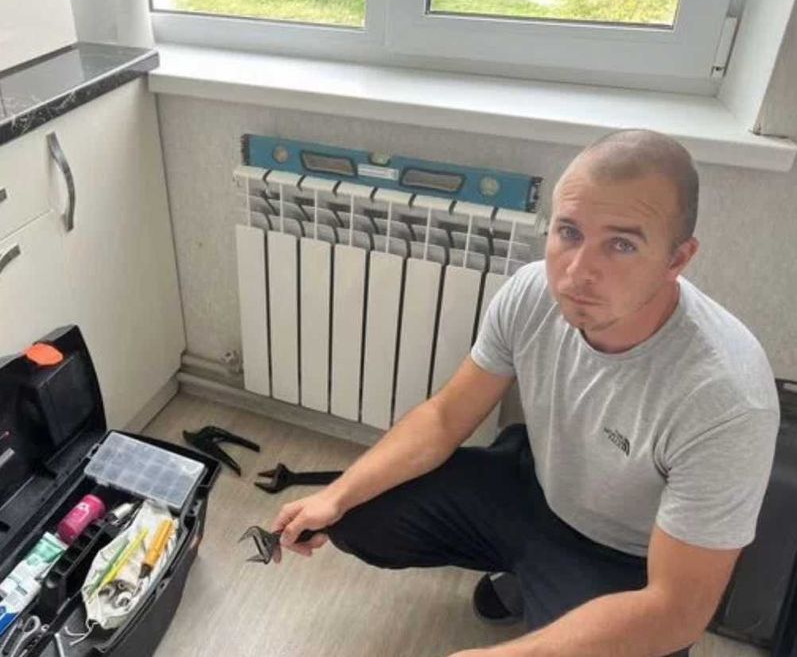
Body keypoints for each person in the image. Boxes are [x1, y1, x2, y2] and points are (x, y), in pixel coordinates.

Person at [270, 129, 780, 656]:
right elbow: (444, 418)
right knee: (354, 512)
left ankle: (540, 583)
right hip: (530, 486)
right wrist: (336, 495)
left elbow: (677, 611)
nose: (578, 272)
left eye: (622, 244)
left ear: (677, 259)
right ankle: (524, 569)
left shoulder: (727, 399)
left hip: (623, 557)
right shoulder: (532, 292)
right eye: (569, 232)